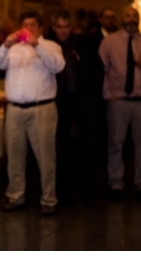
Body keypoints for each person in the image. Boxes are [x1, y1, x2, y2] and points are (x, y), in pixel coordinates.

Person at [0, 11, 65, 215]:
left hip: (42, 108)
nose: (28, 28)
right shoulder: (13, 48)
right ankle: (16, 196)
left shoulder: (50, 46)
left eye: (33, 24)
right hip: (15, 109)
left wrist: (36, 45)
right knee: (14, 154)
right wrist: (6, 44)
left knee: (45, 155)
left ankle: (49, 199)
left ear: (40, 27)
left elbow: (58, 66)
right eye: (25, 24)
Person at [99, 4, 141, 199]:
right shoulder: (109, 43)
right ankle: (116, 184)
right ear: (122, 18)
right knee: (115, 143)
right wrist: (107, 95)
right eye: (127, 15)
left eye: (134, 16)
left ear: (138, 19)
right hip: (118, 100)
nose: (131, 19)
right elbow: (101, 70)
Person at [46, 10, 101, 202]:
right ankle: (63, 191)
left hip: (83, 98)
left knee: (90, 141)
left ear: (71, 27)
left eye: (66, 26)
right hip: (60, 100)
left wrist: (94, 95)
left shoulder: (82, 43)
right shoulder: (48, 45)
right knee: (61, 144)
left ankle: (88, 188)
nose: (63, 31)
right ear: (54, 28)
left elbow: (95, 68)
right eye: (59, 27)